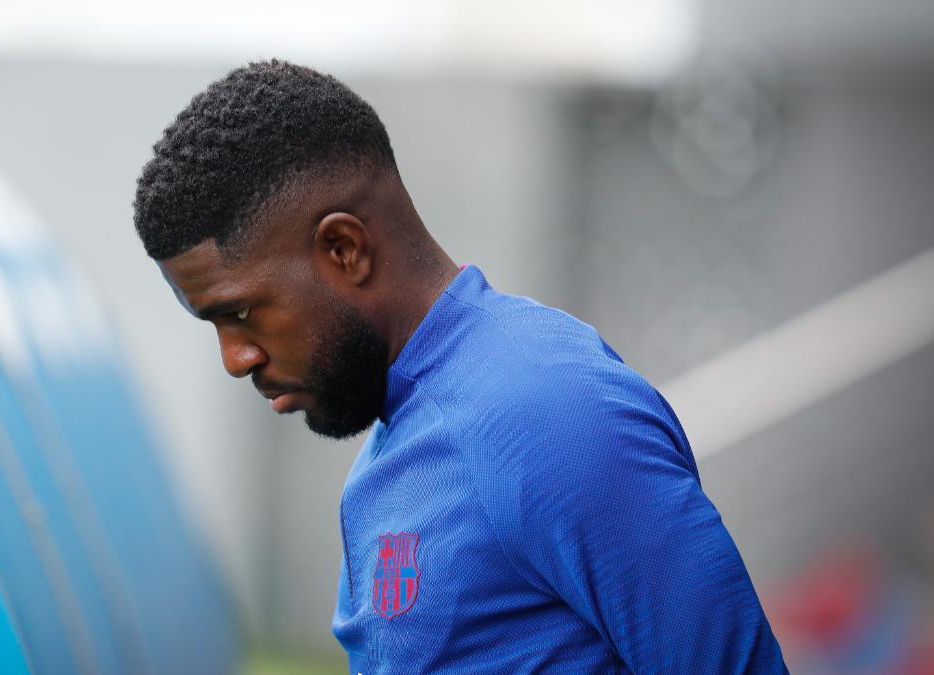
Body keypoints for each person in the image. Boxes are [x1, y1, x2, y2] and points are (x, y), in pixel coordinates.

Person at [133, 60, 787, 673]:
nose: (234, 358)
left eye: (239, 312)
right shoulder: (405, 432)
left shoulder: (547, 411)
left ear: (343, 249)